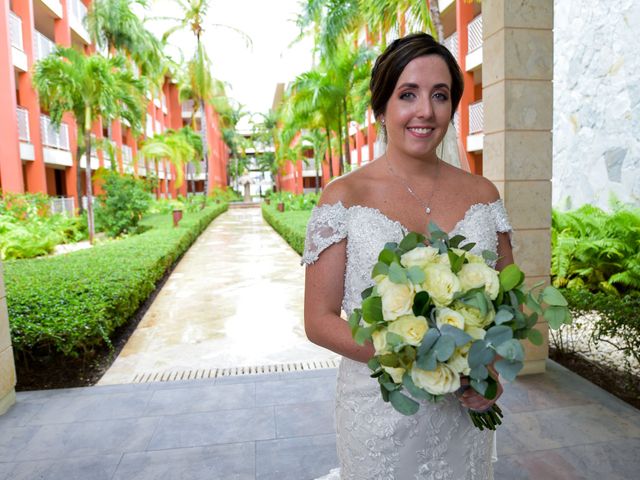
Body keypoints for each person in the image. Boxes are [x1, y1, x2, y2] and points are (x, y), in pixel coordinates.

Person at [302, 33, 514, 479]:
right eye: (407, 94)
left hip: (463, 406)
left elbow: (506, 302)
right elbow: (319, 320)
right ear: (381, 108)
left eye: (440, 95)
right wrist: (417, 359)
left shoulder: (483, 194)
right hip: (379, 411)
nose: (425, 111)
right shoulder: (344, 197)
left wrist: (488, 372)